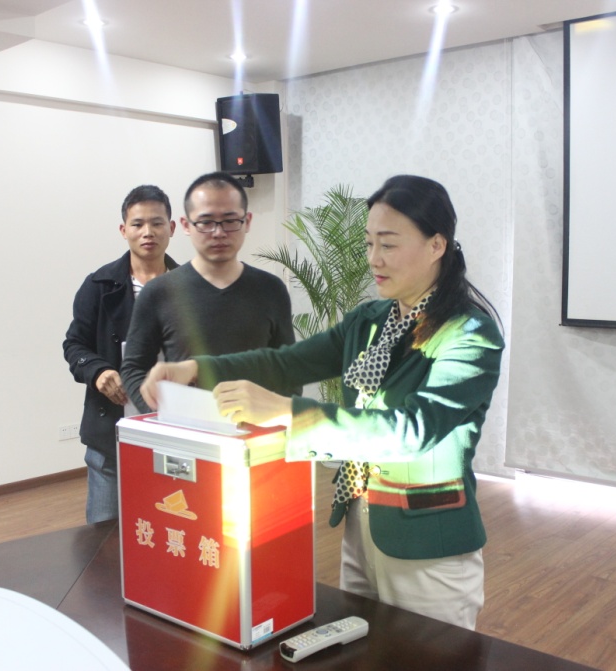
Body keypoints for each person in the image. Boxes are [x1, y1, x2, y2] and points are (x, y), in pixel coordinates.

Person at [139, 175, 504, 630]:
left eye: (388, 244)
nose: (373, 259)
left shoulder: (468, 334)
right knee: (364, 651)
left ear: (436, 245)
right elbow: (287, 362)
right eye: (369, 243)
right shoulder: (370, 320)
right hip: (362, 525)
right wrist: (196, 368)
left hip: (428, 543)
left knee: (430, 656)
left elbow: (411, 431)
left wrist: (284, 412)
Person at [120, 172, 297, 410]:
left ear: (247, 221)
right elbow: (133, 368)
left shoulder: (271, 289)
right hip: (184, 426)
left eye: (230, 220)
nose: (218, 232)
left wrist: (276, 416)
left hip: (255, 426)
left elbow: (288, 368)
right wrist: (159, 413)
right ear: (186, 225)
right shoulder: (159, 292)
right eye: (206, 222)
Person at [63, 184, 178, 524]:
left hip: (175, 427)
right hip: (111, 427)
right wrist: (98, 371)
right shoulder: (99, 286)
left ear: (172, 228)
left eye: (157, 223)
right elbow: (74, 344)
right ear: (123, 230)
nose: (147, 232)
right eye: (138, 223)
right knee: (105, 533)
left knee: (172, 527)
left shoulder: (191, 287)